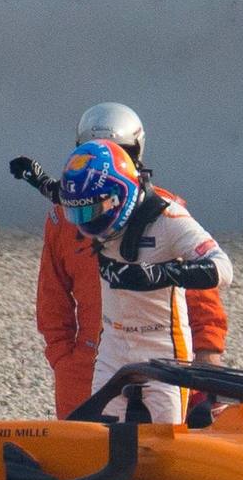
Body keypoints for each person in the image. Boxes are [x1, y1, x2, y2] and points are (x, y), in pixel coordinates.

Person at [9, 103, 228, 417]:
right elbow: (52, 298)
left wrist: (208, 355)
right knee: (84, 454)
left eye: (118, 151)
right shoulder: (65, 215)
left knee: (163, 453)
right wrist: (63, 359)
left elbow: (203, 289)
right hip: (88, 361)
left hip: (161, 354)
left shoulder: (164, 212)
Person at [53, 138, 232, 423]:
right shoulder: (96, 202)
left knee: (165, 436)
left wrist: (162, 274)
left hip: (162, 346)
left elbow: (224, 269)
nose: (86, 222)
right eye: (78, 213)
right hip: (112, 343)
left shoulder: (170, 219)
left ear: (118, 194)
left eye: (91, 211)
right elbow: (72, 198)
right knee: (99, 434)